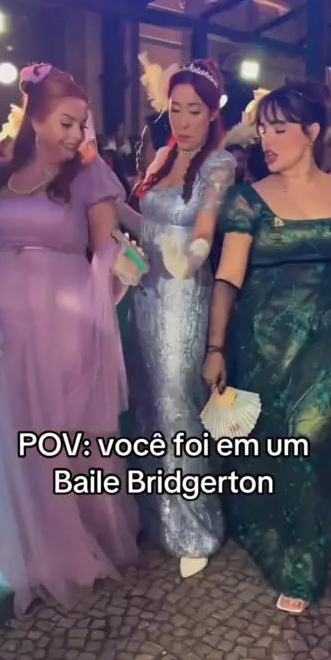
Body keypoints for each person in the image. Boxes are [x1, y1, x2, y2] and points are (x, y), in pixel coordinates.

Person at [0, 64, 146, 616]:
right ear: (36, 119)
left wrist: (128, 264)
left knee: (60, 430)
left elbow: (106, 250)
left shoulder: (89, 178)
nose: (76, 135)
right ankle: (20, 546)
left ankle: (72, 538)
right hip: (1, 321)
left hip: (64, 320)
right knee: (10, 425)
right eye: (66, 123)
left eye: (82, 124)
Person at [202, 81, 331, 614]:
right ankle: (269, 533)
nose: (267, 140)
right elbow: (227, 276)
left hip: (325, 344)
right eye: (263, 129)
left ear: (312, 131)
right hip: (262, 346)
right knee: (273, 451)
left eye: (280, 128)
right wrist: (216, 346)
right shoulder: (248, 199)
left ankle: (302, 565)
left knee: (312, 446)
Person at [126, 59, 236, 579]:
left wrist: (191, 256)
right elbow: (143, 220)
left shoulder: (219, 163)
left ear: (212, 112)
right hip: (143, 293)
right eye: (176, 109)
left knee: (177, 406)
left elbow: (206, 226)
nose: (184, 120)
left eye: (195, 110)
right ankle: (154, 512)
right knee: (146, 402)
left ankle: (195, 526)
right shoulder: (162, 156)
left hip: (183, 296)